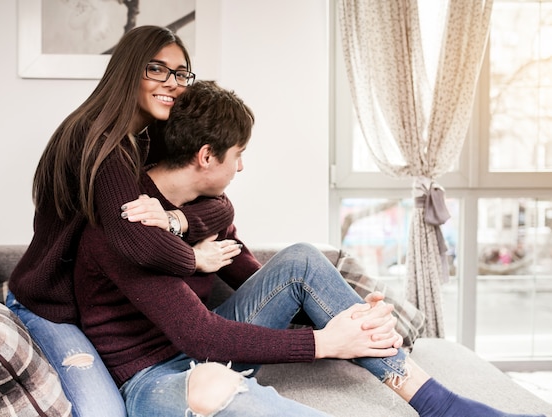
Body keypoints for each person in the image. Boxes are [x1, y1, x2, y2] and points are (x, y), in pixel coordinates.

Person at [82, 80, 545, 417]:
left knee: (303, 256)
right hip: (153, 376)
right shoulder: (129, 223)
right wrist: (328, 342)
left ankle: (438, 404)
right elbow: (201, 338)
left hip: (204, 342)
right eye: (238, 154)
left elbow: (253, 273)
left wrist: (349, 313)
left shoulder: (204, 203)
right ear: (207, 155)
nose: (241, 167)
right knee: (210, 385)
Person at [6, 26, 237, 417]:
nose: (173, 84)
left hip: (100, 313)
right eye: (157, 69)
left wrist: (175, 219)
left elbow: (221, 204)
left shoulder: (149, 139)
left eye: (181, 73)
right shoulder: (94, 139)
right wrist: (195, 259)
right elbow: (139, 244)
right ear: (129, 70)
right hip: (52, 308)